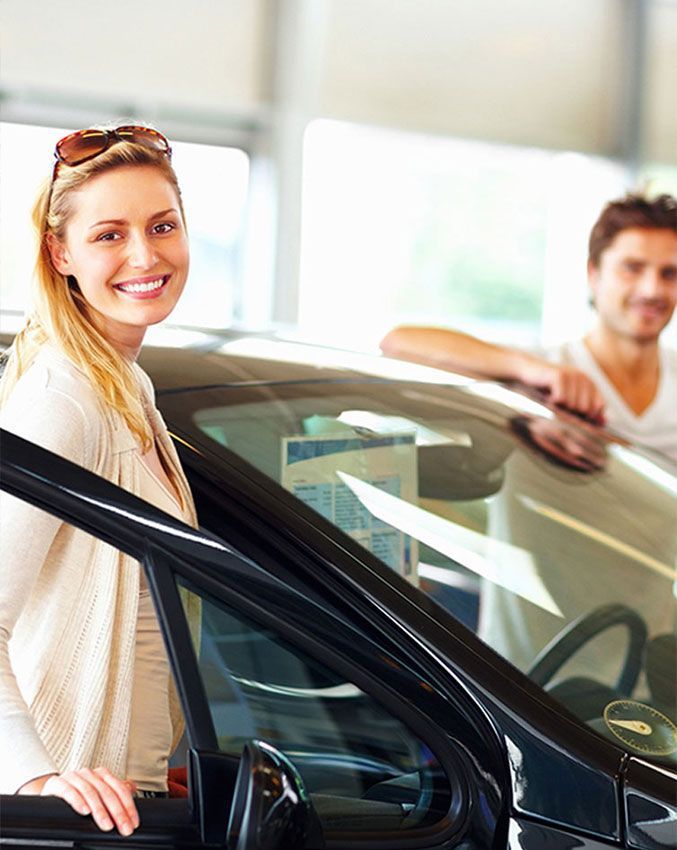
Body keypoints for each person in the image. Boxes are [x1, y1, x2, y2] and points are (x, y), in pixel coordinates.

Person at [0, 125, 199, 835]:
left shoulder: (128, 386)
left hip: (124, 800)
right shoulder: (64, 400)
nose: (146, 255)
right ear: (61, 253)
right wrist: (37, 779)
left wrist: (152, 758)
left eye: (162, 225)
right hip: (66, 819)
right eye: (109, 234)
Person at [380, 192, 677, 461]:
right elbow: (398, 343)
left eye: (669, 273)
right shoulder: (542, 371)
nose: (652, 290)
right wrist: (533, 372)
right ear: (594, 274)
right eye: (632, 268)